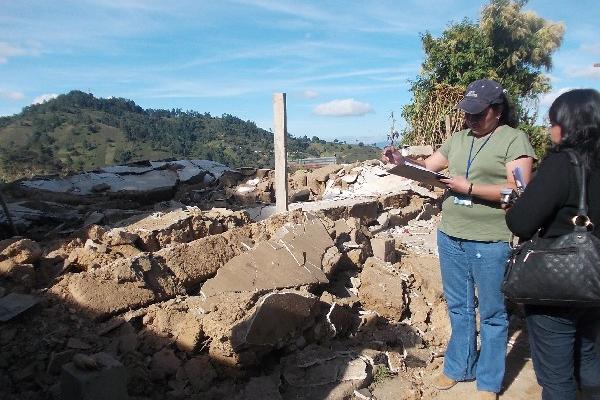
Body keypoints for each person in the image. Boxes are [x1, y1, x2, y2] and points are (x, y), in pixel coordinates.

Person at [383, 79, 536, 399]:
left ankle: (489, 381)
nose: (470, 120)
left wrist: (470, 189)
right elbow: (428, 168)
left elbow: (519, 190)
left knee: (492, 313)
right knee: (459, 307)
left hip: (489, 239)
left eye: (478, 114)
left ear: (497, 111)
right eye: (467, 113)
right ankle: (458, 367)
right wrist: (402, 163)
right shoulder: (458, 139)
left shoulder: (513, 139)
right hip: (450, 235)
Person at [505, 88, 600, 400]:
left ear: (569, 125)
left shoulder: (563, 165)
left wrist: (519, 201)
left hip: (559, 283)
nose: (549, 129)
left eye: (553, 122)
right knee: (588, 356)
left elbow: (521, 223)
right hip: (595, 278)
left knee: (556, 376)